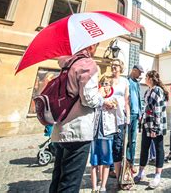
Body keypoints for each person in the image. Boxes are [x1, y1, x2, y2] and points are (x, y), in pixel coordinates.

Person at [50, 44, 104, 193]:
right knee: (70, 183)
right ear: (91, 45)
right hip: (78, 130)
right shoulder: (87, 64)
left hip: (61, 128)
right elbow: (89, 98)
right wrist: (102, 98)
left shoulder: (66, 62)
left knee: (58, 179)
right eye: (97, 45)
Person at [134, 70, 168, 189]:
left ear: (151, 78)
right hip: (147, 125)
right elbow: (147, 108)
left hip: (155, 126)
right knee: (144, 148)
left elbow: (157, 110)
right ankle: (141, 172)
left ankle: (157, 175)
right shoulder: (149, 90)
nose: (145, 79)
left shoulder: (157, 90)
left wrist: (155, 128)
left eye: (146, 77)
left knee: (159, 150)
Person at [90, 75, 119, 193]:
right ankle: (93, 187)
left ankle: (103, 186)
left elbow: (114, 107)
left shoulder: (114, 97)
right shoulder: (96, 97)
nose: (105, 86)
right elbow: (92, 105)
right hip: (94, 132)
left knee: (106, 160)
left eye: (107, 84)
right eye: (103, 83)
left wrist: (109, 103)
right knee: (94, 161)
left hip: (107, 132)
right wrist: (101, 98)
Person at [108, 59, 130, 180]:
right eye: (112, 65)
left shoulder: (125, 81)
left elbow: (127, 100)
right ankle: (110, 169)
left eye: (116, 65)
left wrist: (128, 116)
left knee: (118, 145)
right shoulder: (107, 80)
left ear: (121, 67)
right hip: (107, 116)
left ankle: (118, 172)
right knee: (108, 143)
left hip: (120, 117)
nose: (113, 67)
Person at [126, 64, 144, 171]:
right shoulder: (126, 81)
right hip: (128, 114)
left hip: (136, 114)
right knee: (125, 141)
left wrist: (140, 113)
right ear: (134, 70)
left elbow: (138, 97)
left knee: (133, 141)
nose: (140, 74)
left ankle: (131, 163)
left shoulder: (137, 83)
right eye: (139, 72)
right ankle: (124, 163)